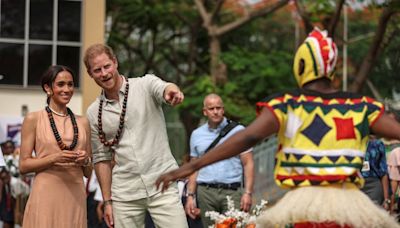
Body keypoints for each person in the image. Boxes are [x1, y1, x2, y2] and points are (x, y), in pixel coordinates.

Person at [156, 28, 400, 227]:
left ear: (301, 66)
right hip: (351, 203)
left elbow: (249, 136)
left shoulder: (288, 105)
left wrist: (191, 166)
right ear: (333, 68)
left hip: (304, 203)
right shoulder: (359, 106)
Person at [84, 44, 188, 228]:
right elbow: (101, 159)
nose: (104, 73)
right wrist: (107, 202)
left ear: (115, 62)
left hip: (162, 182)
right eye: (97, 70)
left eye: (107, 66)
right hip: (124, 193)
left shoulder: (144, 85)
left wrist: (172, 91)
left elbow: (163, 87)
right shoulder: (93, 113)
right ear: (90, 74)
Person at [19, 65, 92, 228]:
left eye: (70, 84)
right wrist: (54, 158)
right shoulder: (34, 119)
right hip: (46, 192)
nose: (67, 89)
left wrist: (85, 160)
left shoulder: (83, 122)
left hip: (76, 194)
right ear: (48, 88)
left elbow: (88, 172)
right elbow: (23, 166)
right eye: (61, 84)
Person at [185, 94, 254, 227]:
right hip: (206, 192)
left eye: (218, 108)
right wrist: (190, 196)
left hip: (232, 191)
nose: (215, 111)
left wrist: (248, 193)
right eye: (211, 108)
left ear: (223, 110)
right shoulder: (197, 134)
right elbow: (194, 167)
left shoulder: (238, 131)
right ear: (205, 112)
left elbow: (248, 163)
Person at [360, 136, 390, 210]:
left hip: (374, 186)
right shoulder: (353, 142)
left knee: (373, 215)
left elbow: (383, 171)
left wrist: (386, 200)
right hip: (356, 185)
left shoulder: (378, 144)